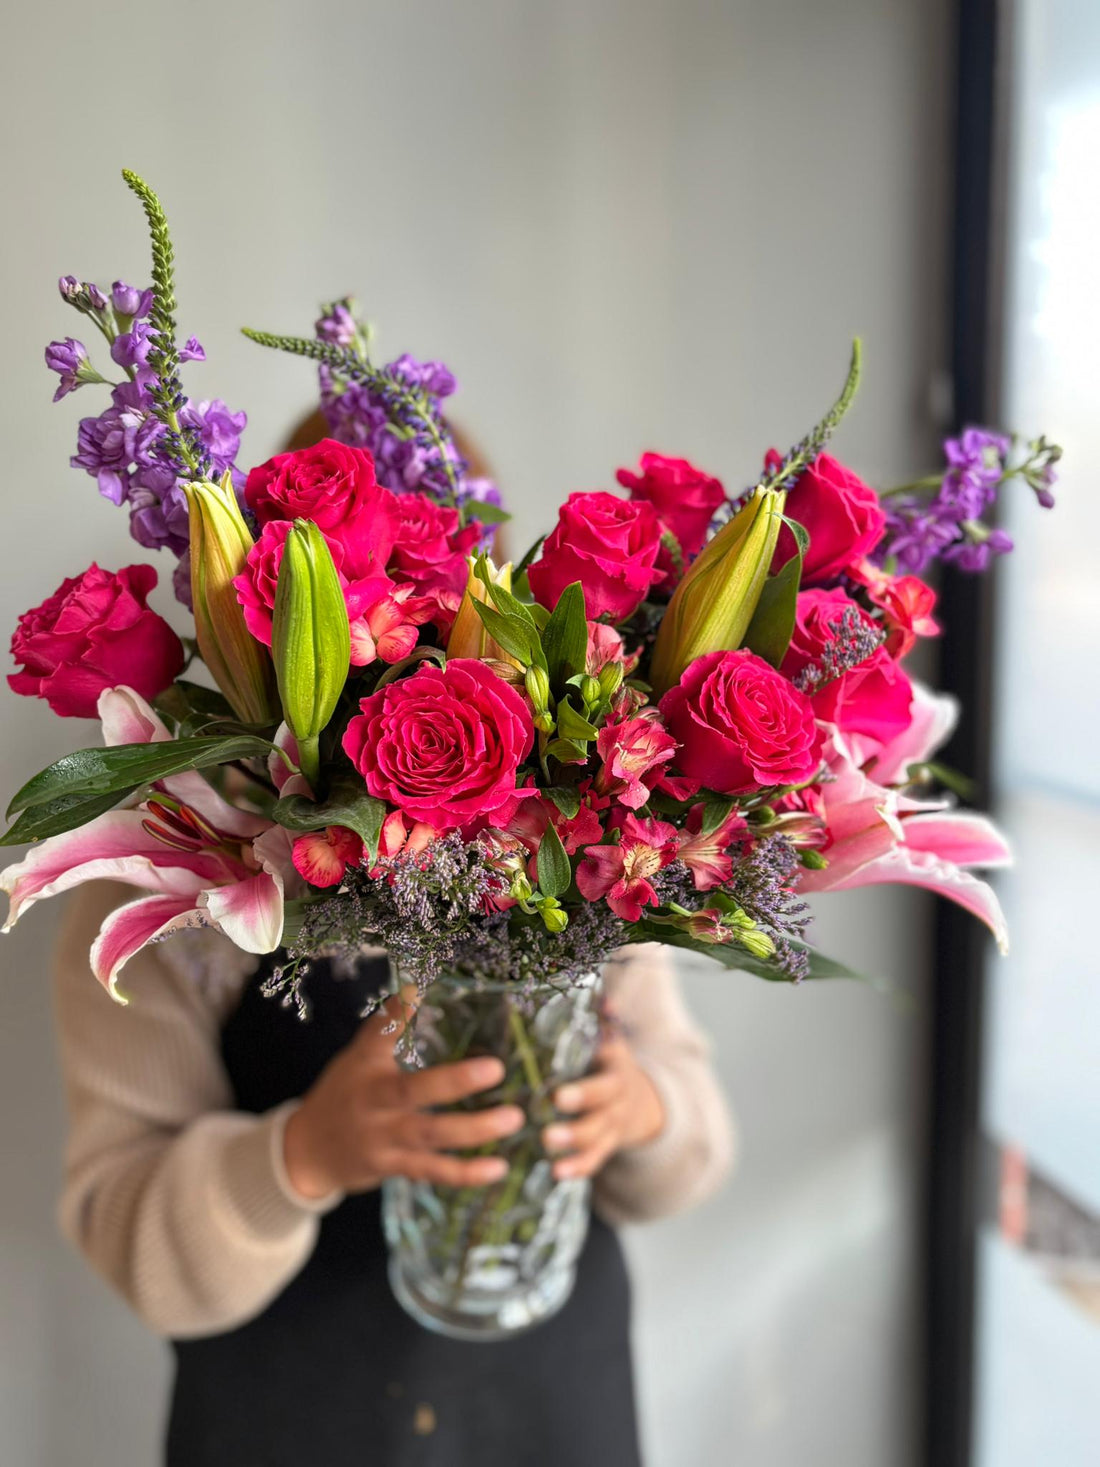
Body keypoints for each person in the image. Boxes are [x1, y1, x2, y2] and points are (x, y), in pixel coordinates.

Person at [51, 416, 735, 1466]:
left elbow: (692, 1151)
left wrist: (644, 1111)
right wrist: (299, 1155)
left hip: (555, 1410)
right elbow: (126, 1235)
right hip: (286, 1426)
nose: (424, 634)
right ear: (270, 623)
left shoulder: (590, 831)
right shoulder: (164, 885)